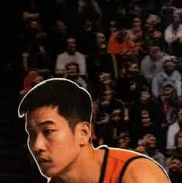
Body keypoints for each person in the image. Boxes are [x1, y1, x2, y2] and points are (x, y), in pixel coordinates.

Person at [19, 78, 169, 182]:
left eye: (48, 131)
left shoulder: (137, 175)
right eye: (31, 134)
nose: (36, 145)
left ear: (83, 133)